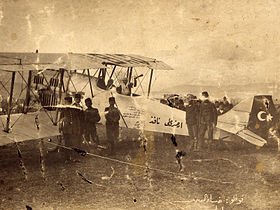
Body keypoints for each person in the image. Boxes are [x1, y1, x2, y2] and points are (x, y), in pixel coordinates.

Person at [59, 96, 82, 161]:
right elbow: (60, 120)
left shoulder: (74, 110)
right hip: (66, 130)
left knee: (74, 143)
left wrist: (78, 128)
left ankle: (74, 157)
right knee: (66, 144)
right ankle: (67, 158)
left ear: (70, 102)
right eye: (66, 102)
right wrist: (60, 129)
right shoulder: (63, 111)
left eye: (68, 102)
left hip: (73, 130)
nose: (67, 104)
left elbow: (77, 120)